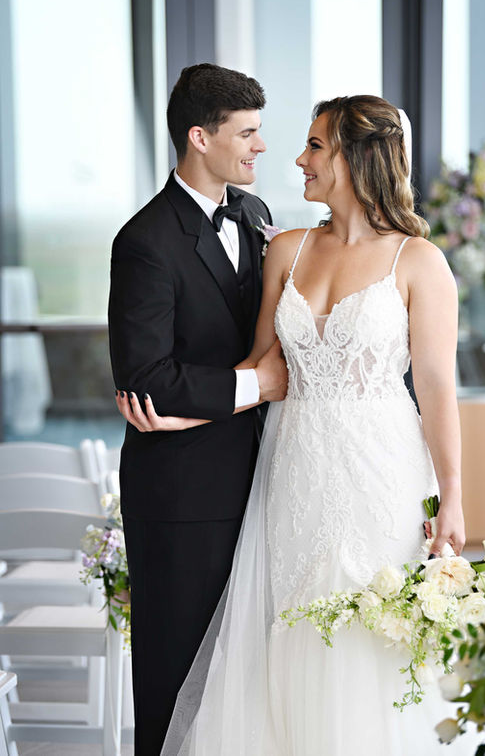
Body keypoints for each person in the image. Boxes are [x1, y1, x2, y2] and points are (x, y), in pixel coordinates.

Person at [118, 95, 481, 754]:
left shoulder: (419, 263)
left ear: (354, 157)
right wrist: (168, 418)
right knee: (285, 630)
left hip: (381, 474)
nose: (297, 159)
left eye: (315, 146)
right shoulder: (285, 248)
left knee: (365, 637)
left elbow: (434, 387)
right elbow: (262, 369)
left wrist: (452, 494)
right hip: (290, 471)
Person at [108, 63, 287, 756]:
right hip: (183, 495)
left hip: (265, 481)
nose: (259, 147)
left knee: (246, 680)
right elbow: (146, 378)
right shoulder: (145, 242)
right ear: (199, 138)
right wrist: (258, 386)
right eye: (246, 133)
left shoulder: (256, 215)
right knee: (178, 678)